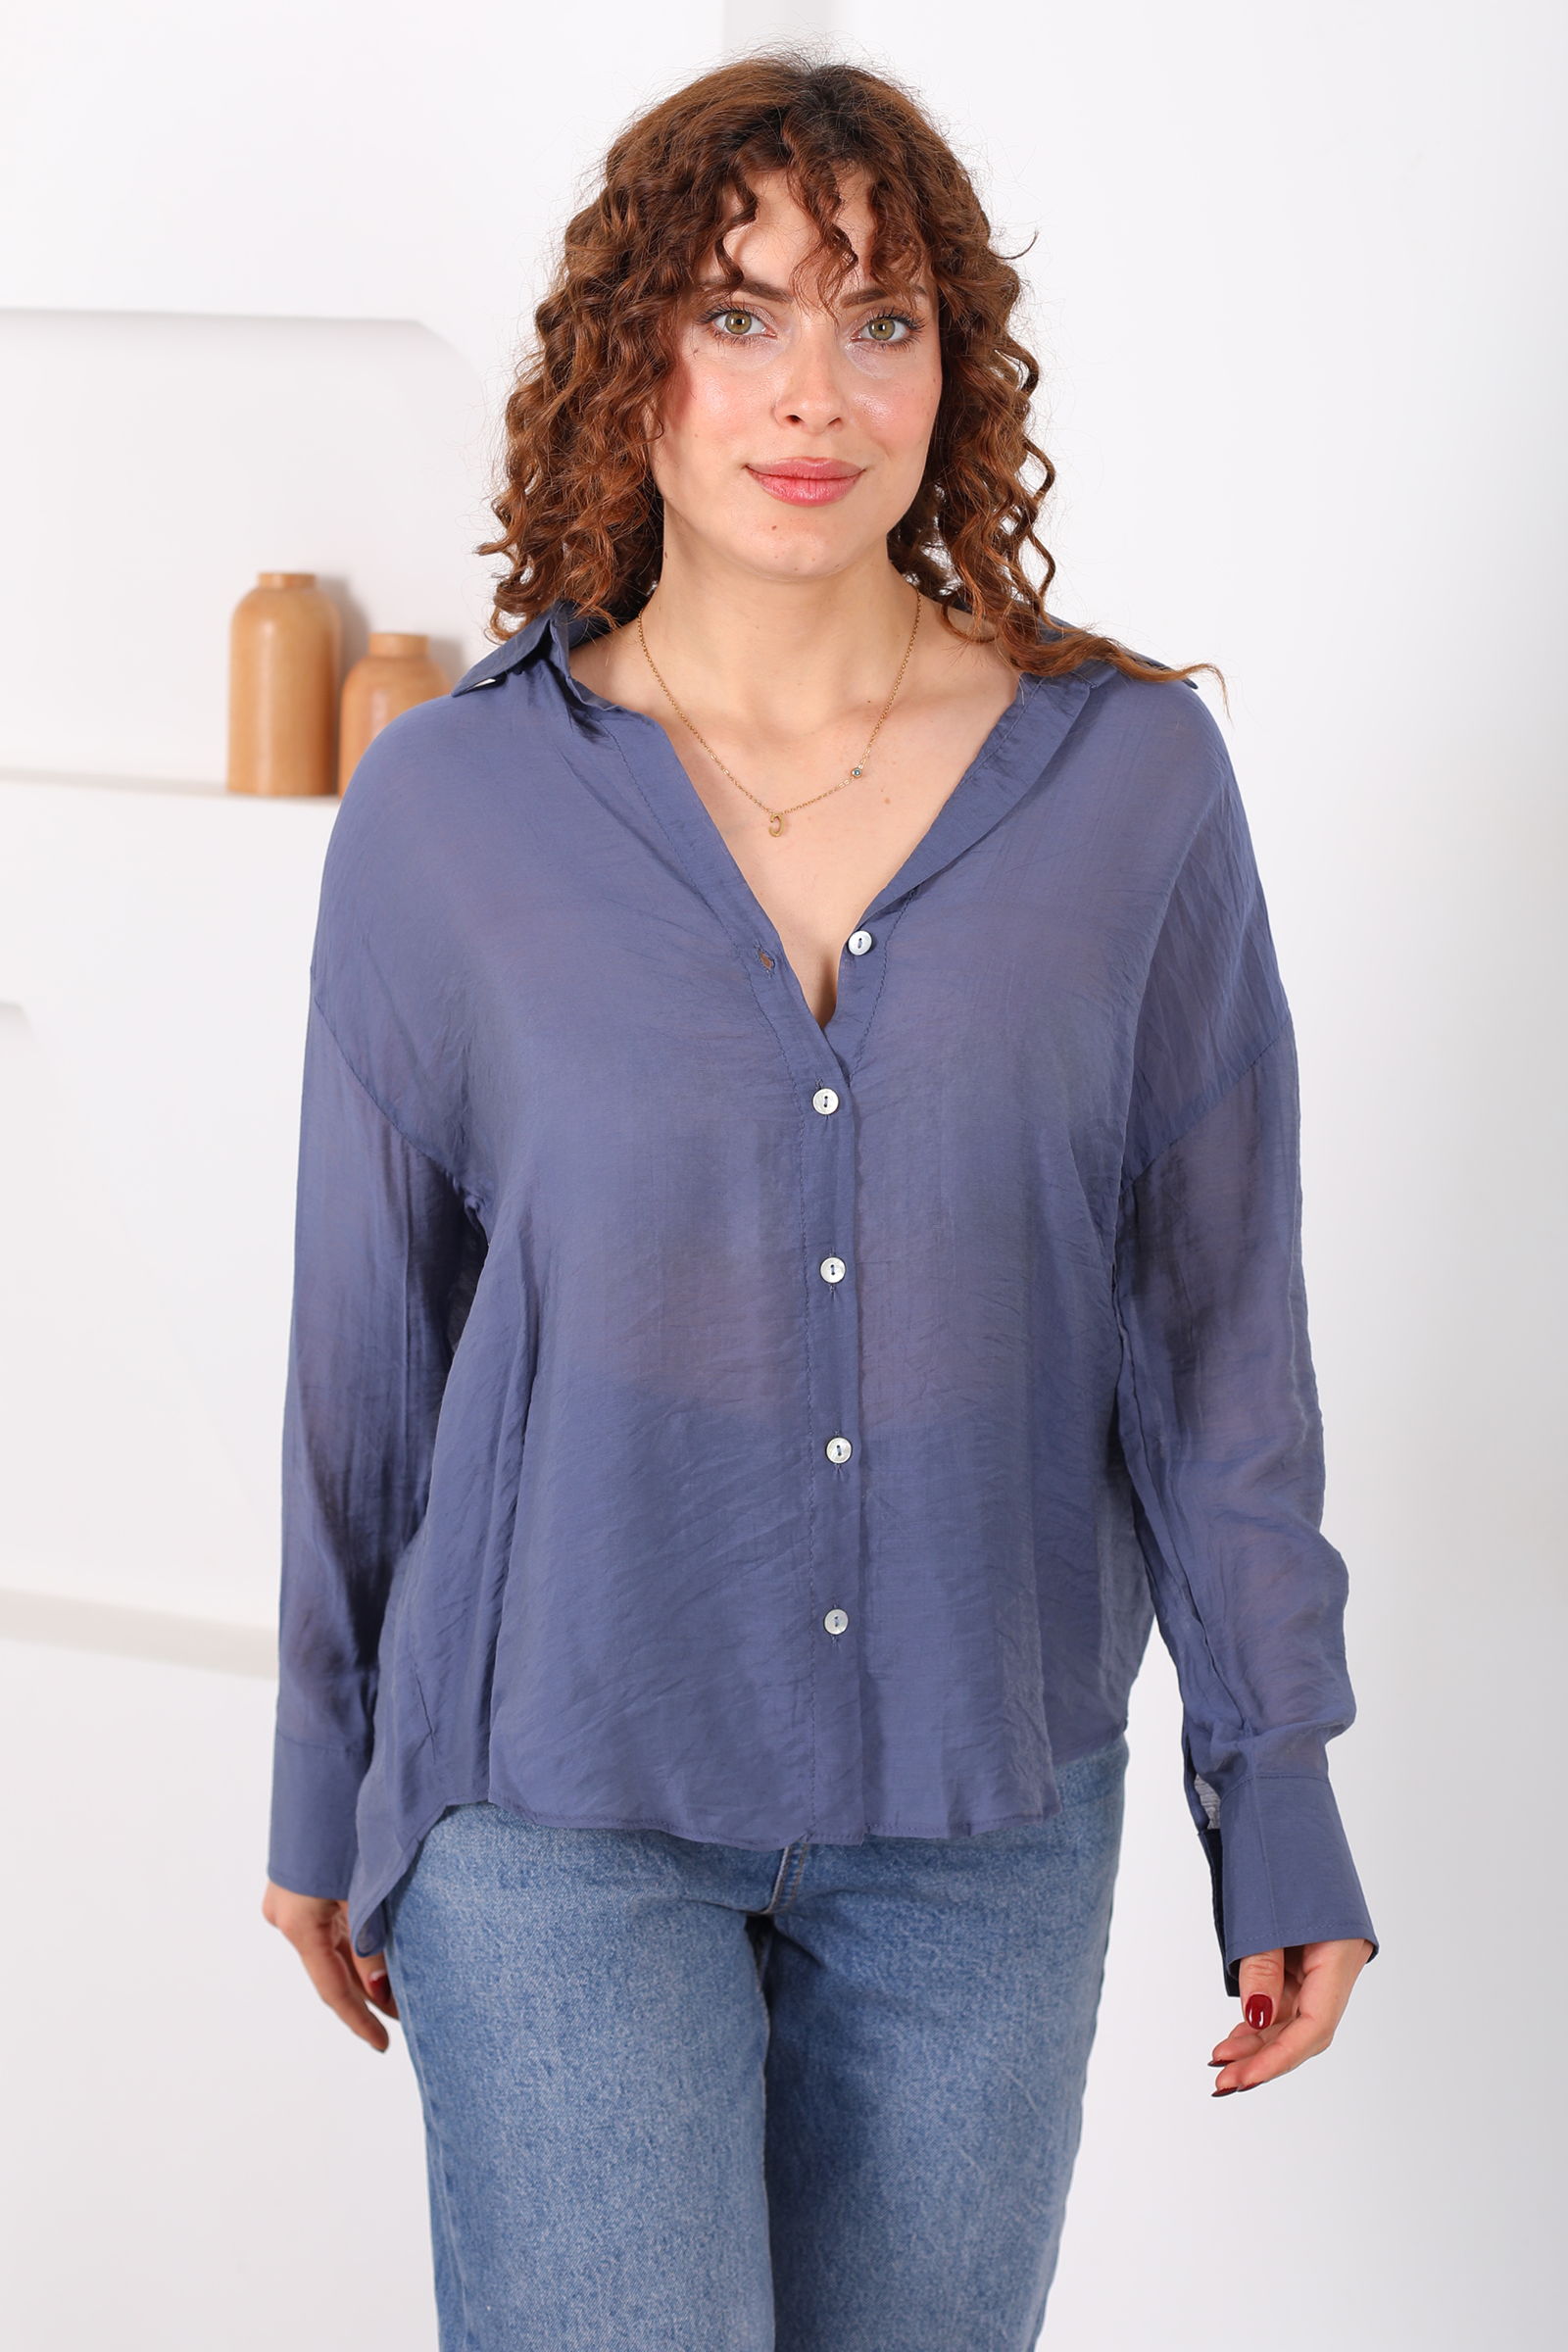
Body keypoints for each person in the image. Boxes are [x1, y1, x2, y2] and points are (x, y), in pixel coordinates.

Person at [261, 47, 1379, 2351]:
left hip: (982, 1813)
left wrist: (1270, 1785)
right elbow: (368, 1350)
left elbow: (1212, 1339)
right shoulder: (450, 808)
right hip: (551, 1799)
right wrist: (319, 1773)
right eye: (738, 311)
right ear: (628, 363)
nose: (812, 392)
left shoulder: (1132, 786)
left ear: (949, 373)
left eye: (879, 322)